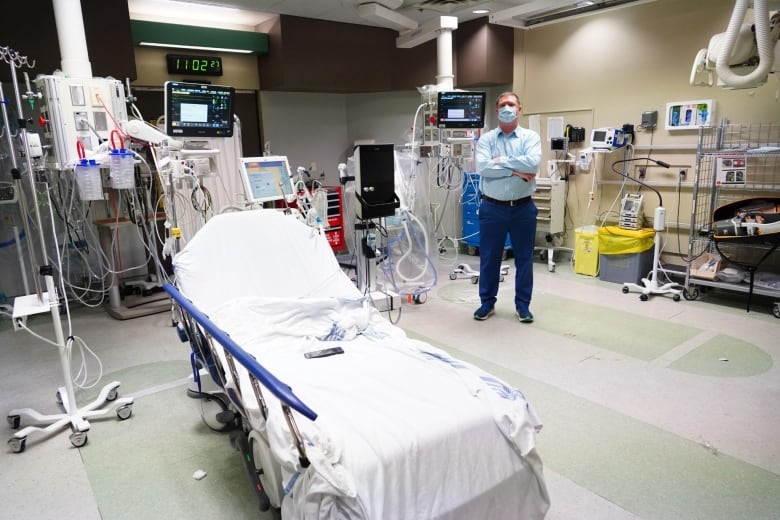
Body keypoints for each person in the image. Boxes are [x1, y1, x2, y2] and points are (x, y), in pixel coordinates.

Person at [473, 91, 541, 323]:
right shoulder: (487, 140)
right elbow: (483, 168)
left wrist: (500, 162)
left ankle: (523, 306)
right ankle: (487, 303)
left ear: (519, 109)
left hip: (523, 208)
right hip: (492, 208)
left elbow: (532, 163)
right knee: (489, 258)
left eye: (511, 104)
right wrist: (514, 170)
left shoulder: (530, 138)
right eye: (502, 104)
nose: (506, 107)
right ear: (496, 110)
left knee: (524, 258)